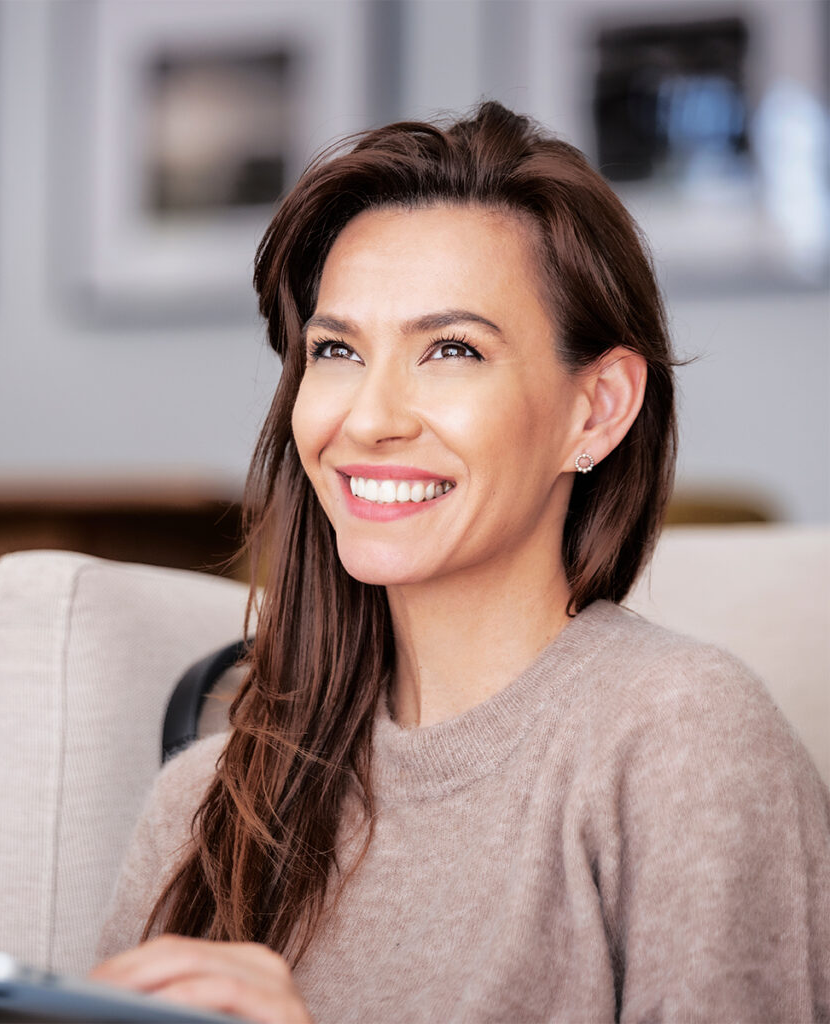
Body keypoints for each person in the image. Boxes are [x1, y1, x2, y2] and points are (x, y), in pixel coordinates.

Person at [91, 101, 830, 1023]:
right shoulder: (208, 804)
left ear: (596, 409)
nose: (368, 419)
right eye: (336, 350)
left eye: (451, 349)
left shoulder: (682, 741)